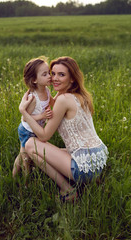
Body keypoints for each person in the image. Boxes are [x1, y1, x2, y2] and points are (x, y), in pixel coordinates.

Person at [19, 56, 109, 201]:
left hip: (83, 166)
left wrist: (24, 112)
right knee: (45, 152)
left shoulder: (63, 99)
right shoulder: (80, 95)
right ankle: (93, 180)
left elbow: (43, 136)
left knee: (30, 144)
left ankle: (68, 190)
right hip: (97, 158)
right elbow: (50, 103)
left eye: (61, 75)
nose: (54, 78)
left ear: (72, 78)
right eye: (52, 73)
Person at [12, 57, 54, 178]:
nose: (49, 76)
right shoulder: (33, 98)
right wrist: (42, 116)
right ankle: (22, 180)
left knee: (24, 155)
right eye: (45, 74)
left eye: (49, 73)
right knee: (25, 157)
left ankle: (17, 177)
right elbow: (26, 118)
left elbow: (52, 103)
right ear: (34, 80)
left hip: (36, 129)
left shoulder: (46, 90)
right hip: (27, 131)